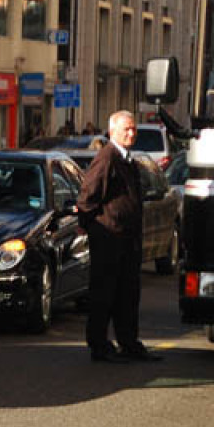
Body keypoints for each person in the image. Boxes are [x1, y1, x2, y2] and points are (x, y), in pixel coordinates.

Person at [77, 110, 162, 364]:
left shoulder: (128, 160)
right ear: (112, 131)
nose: (132, 133)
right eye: (126, 129)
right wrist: (90, 226)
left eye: (134, 129)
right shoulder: (107, 157)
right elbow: (88, 195)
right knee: (104, 293)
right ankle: (99, 345)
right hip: (109, 238)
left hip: (128, 240)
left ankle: (129, 343)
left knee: (127, 294)